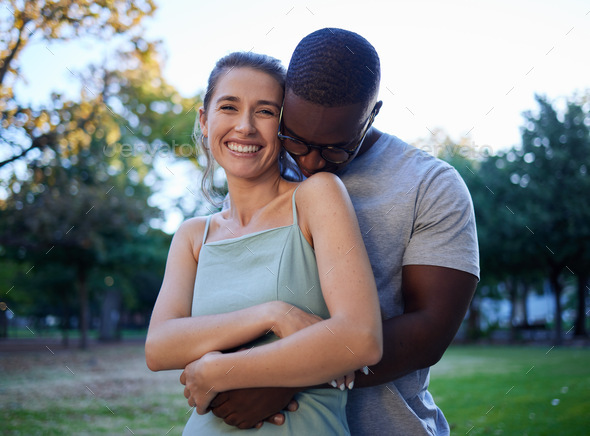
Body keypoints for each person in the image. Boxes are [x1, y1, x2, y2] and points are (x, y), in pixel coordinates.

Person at [194, 28, 480, 435]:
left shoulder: (430, 185)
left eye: (335, 148)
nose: (310, 163)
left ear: (373, 113)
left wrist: (283, 377)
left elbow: (429, 330)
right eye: (296, 141)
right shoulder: (263, 171)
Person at [145, 51, 383, 435]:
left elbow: (361, 339)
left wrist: (217, 371)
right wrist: (273, 314)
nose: (244, 126)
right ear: (204, 121)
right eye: (228, 106)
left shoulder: (316, 197)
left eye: (266, 112)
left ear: (284, 126)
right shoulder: (193, 235)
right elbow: (158, 348)